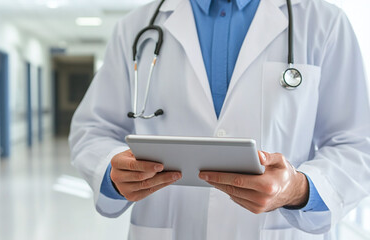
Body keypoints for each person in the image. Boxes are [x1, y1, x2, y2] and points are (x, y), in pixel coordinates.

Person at [69, 0, 370, 239]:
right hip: (166, 225)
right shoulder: (136, 28)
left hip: (278, 230)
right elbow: (93, 129)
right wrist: (113, 171)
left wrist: (299, 189)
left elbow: (356, 144)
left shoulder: (324, 23)